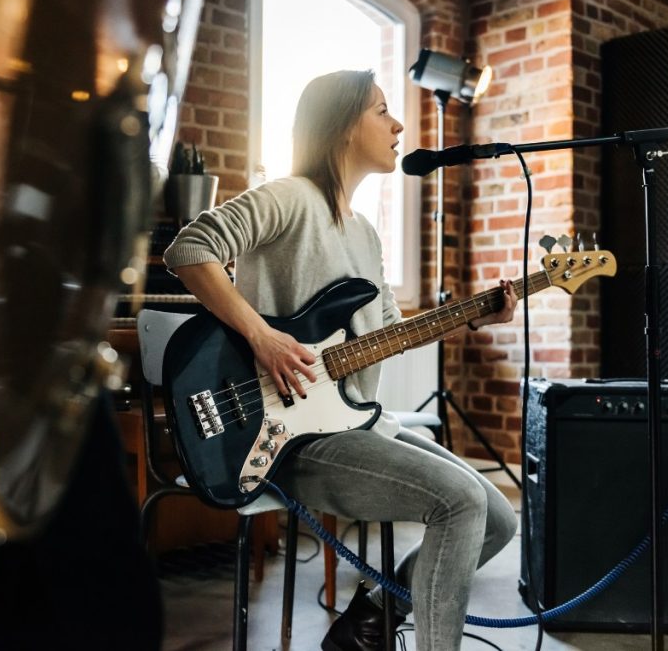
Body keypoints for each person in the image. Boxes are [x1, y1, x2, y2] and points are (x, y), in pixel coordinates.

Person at [162, 69, 519, 651]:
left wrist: (471, 318)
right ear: (343, 126)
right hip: (290, 436)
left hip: (357, 418)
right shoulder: (289, 197)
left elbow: (390, 334)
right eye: (382, 110)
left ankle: (372, 615)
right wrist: (262, 337)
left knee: (498, 517)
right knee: (459, 500)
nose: (399, 124)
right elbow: (189, 249)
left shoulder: (367, 236)